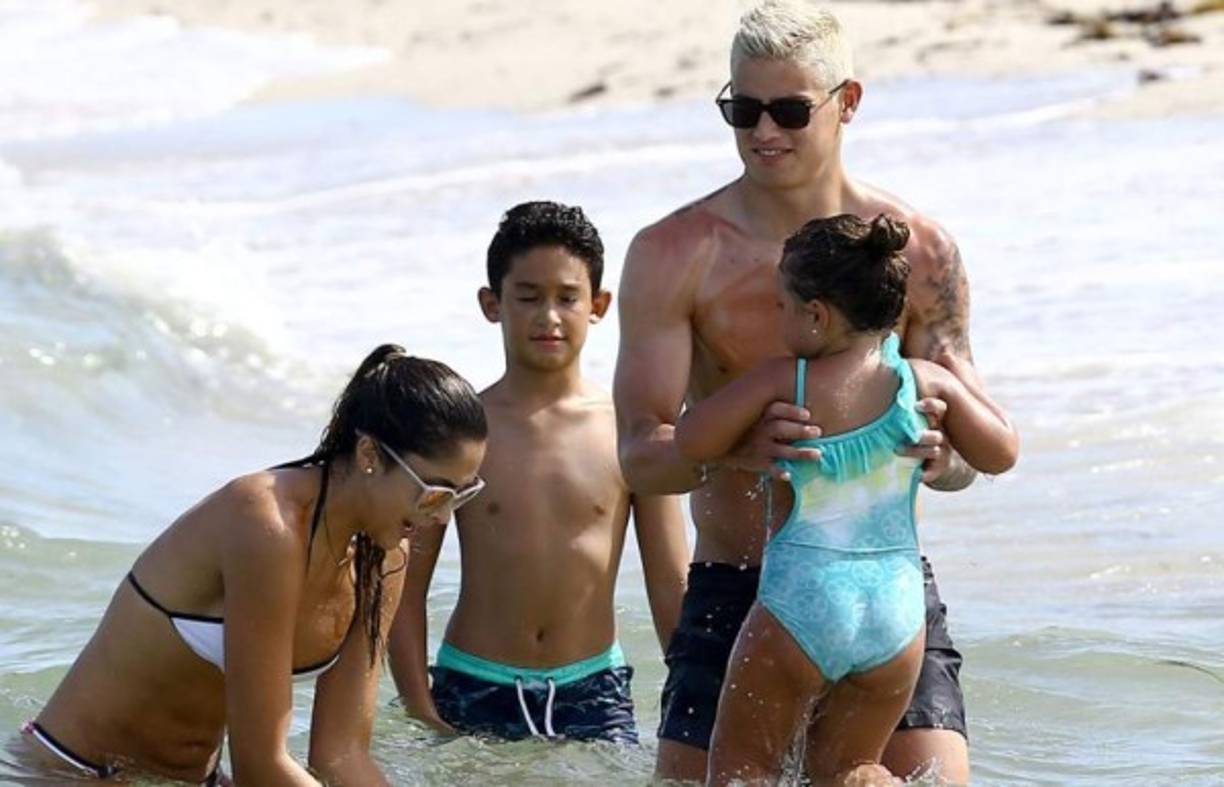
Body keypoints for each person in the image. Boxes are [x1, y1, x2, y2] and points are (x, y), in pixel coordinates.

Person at [614, 2, 990, 782]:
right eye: (741, 110)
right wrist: (732, 451)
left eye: (788, 110)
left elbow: (971, 457)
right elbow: (640, 457)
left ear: (848, 102)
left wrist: (938, 454)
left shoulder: (920, 252)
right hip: (734, 583)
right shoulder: (673, 254)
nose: (762, 133)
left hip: (879, 583)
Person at [16, 345, 487, 785]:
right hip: (69, 773)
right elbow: (261, 765)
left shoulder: (385, 557)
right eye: (436, 495)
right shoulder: (266, 523)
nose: (441, 518)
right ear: (368, 455)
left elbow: (341, 756)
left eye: (462, 496)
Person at [675, 214, 1017, 785]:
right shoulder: (923, 381)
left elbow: (691, 442)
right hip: (896, 613)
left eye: (782, 306)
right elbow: (1002, 452)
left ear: (816, 315)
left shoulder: (786, 381)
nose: (777, 318)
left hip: (801, 602)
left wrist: (744, 443)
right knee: (850, 768)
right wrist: (945, 443)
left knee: (743, 769)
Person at [388, 201, 688, 743]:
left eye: (567, 298)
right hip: (472, 684)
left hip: (594, 691)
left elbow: (669, 582)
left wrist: (693, 701)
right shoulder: (459, 434)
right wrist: (420, 706)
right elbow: (405, 587)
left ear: (597, 305)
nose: (548, 316)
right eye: (527, 297)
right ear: (491, 303)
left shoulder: (633, 431)